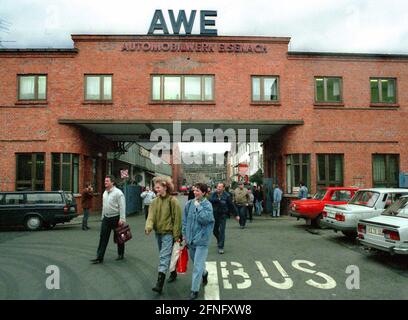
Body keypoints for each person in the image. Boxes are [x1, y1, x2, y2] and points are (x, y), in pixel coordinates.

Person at [145, 176, 182, 294]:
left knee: (163, 256)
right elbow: (150, 216)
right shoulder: (154, 202)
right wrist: (148, 227)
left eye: (158, 187)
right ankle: (173, 272)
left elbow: (177, 220)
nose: (156, 190)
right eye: (155, 188)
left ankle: (159, 283)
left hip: (168, 233)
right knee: (166, 254)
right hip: (158, 233)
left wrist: (176, 236)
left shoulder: (173, 201)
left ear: (165, 187)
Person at [182, 183, 215, 300]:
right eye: (195, 190)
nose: (195, 192)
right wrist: (184, 235)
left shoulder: (207, 205)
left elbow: (206, 220)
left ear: (204, 193)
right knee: (197, 264)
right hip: (190, 240)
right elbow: (185, 221)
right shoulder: (189, 204)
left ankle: (194, 291)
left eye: (198, 191)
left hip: (201, 241)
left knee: (197, 266)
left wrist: (199, 207)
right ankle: (204, 273)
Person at [91, 175, 126, 264]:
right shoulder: (105, 193)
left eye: (107, 181)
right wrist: (103, 217)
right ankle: (99, 257)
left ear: (112, 182)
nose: (105, 182)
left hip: (116, 217)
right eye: (105, 181)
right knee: (103, 237)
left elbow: (122, 206)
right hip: (106, 218)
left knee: (119, 237)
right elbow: (104, 206)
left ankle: (120, 254)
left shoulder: (118, 193)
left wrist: (122, 218)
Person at [209, 182, 239, 254]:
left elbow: (231, 206)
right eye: (217, 187)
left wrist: (236, 215)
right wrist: (218, 200)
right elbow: (210, 200)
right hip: (214, 214)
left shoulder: (227, 196)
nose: (218, 188)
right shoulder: (214, 194)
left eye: (220, 187)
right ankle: (219, 240)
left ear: (223, 188)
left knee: (222, 231)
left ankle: (221, 247)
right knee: (214, 230)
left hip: (223, 215)